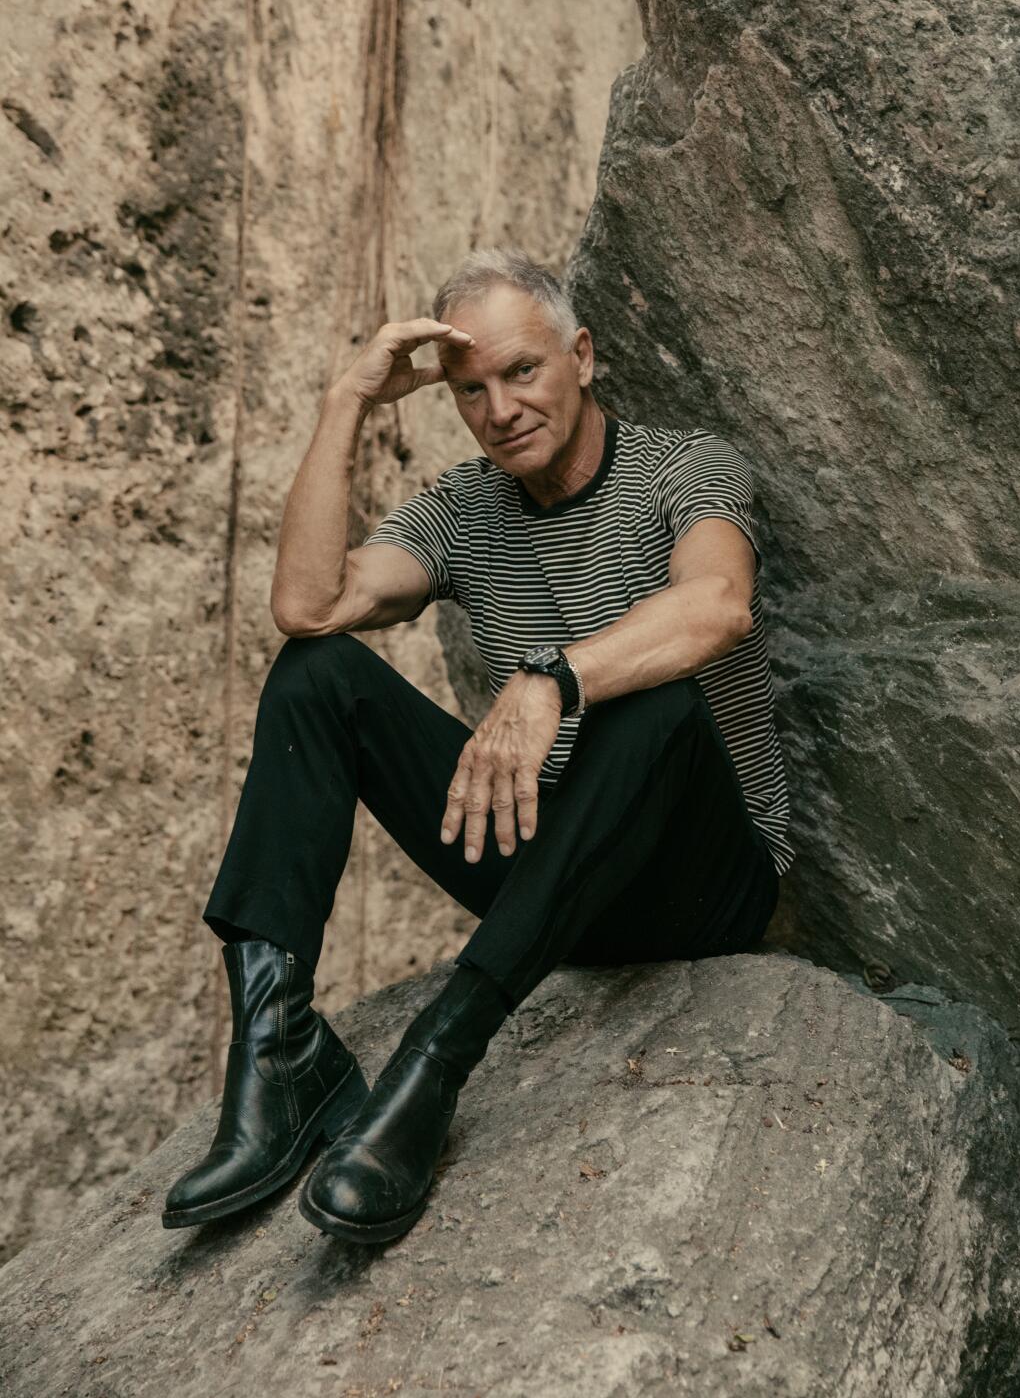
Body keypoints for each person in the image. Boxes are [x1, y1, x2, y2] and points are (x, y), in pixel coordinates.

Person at [162, 248, 795, 1245]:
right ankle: (283, 1055)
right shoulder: (465, 508)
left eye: (523, 372)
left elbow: (718, 606)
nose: (500, 409)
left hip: (696, 886)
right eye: (471, 390)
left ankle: (435, 1065)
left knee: (656, 705)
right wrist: (345, 404)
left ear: (581, 356)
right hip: (546, 876)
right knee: (314, 672)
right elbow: (308, 602)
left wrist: (554, 678)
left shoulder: (686, 467)